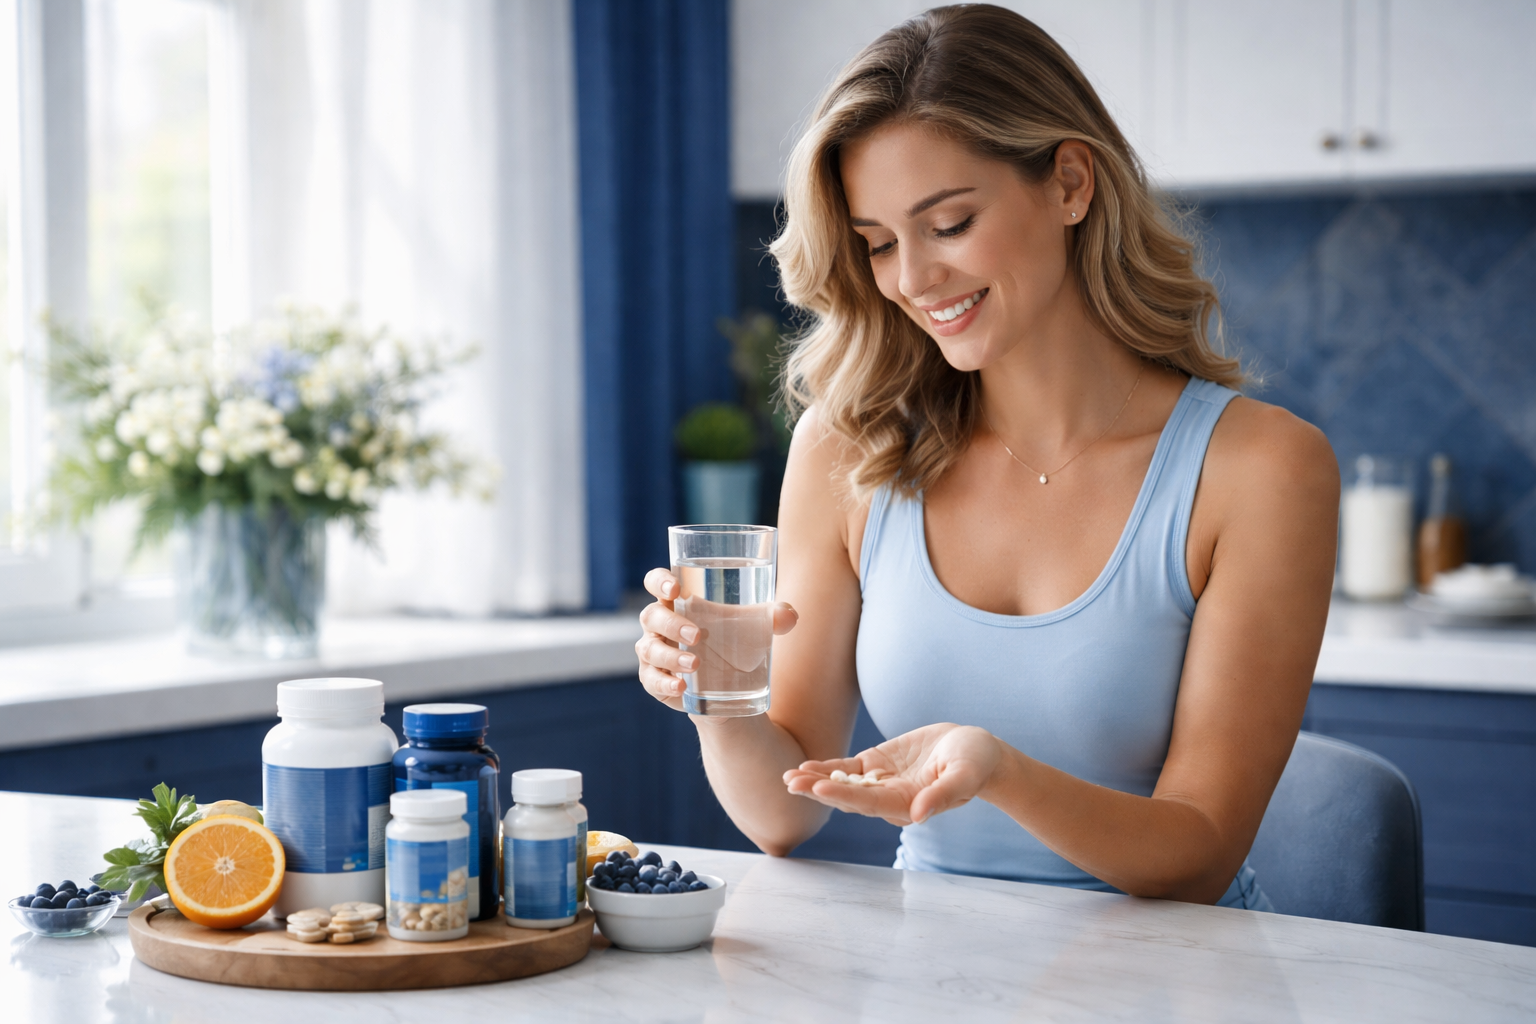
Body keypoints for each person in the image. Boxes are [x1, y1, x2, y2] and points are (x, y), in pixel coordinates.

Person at [635, 4, 1337, 909]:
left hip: (1175, 988)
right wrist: (716, 694)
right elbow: (785, 811)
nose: (914, 280)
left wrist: (998, 771)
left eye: (951, 223)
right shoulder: (848, 452)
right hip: (934, 979)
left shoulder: (1259, 470)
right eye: (879, 244)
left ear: (1071, 183)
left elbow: (1198, 850)